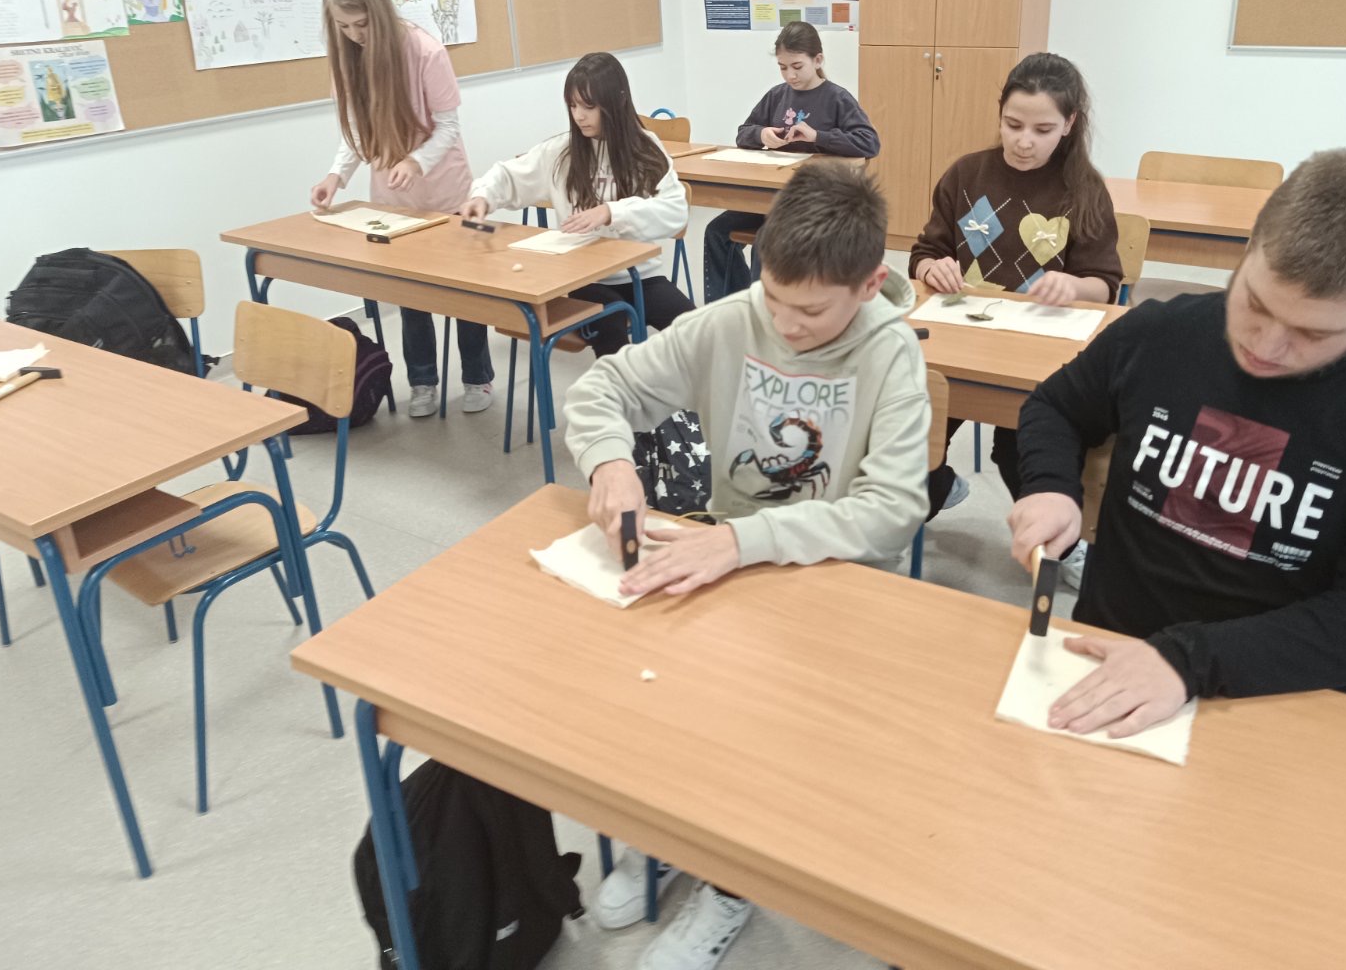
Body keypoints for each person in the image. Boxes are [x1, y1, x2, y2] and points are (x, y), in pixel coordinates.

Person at [564, 159, 930, 970]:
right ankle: (676, 832)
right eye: (773, 297)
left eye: (811, 311)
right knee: (667, 691)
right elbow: (603, 390)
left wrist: (741, 542)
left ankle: (729, 881)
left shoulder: (891, 353)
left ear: (870, 285)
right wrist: (610, 464)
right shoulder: (733, 320)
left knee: (770, 729)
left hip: (835, 579)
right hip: (726, 557)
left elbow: (894, 510)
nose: (786, 325)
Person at [1009, 149, 1346, 739]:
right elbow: (1056, 407)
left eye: (1312, 333)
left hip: (1275, 692)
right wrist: (1051, 486)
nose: (1266, 346)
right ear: (1249, 249)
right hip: (1108, 653)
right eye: (1255, 302)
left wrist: (1189, 660)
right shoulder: (1162, 334)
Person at [909, 52, 1121, 516]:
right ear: (1000, 114)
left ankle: (1055, 541)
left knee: (1022, 452)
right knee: (905, 447)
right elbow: (924, 253)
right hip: (961, 345)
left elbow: (1106, 284)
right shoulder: (967, 175)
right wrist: (931, 268)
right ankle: (939, 487)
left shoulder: (1083, 189)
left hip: (1037, 358)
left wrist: (1073, 287)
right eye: (1013, 125)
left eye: (1043, 130)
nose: (1024, 142)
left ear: (1069, 124)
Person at [310, 0, 494, 418]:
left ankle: (477, 377)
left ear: (378, 10)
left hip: (446, 192)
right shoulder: (348, 56)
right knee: (412, 297)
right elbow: (358, 129)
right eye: (343, 26)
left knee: (467, 292)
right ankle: (423, 382)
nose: (354, 34)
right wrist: (336, 176)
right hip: (394, 201)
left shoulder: (425, 51)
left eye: (361, 24)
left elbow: (448, 126)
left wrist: (416, 161)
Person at [459, 52, 691, 357]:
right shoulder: (561, 152)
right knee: (611, 325)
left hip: (641, 276)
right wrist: (482, 196)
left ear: (617, 101)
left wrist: (611, 212)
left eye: (589, 107)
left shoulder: (645, 148)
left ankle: (679, 388)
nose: (579, 116)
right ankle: (621, 389)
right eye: (573, 105)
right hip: (584, 279)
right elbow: (508, 175)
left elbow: (675, 211)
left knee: (695, 328)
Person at [702, 22, 879, 303]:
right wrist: (762, 134)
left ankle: (764, 312)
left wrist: (818, 136)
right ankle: (731, 306)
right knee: (715, 232)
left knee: (765, 240)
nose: (790, 75)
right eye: (783, 67)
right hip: (770, 196)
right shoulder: (777, 95)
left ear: (817, 60)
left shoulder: (837, 98)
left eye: (797, 66)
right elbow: (743, 132)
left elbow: (869, 142)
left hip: (812, 202)